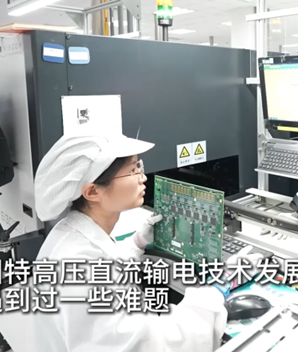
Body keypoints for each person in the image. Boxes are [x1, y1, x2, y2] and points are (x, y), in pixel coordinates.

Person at [31, 133, 231, 352]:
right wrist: (211, 295)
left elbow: (107, 268)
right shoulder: (79, 270)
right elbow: (151, 345)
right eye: (133, 170)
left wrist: (136, 243)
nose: (142, 177)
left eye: (139, 166)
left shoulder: (71, 234)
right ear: (93, 191)